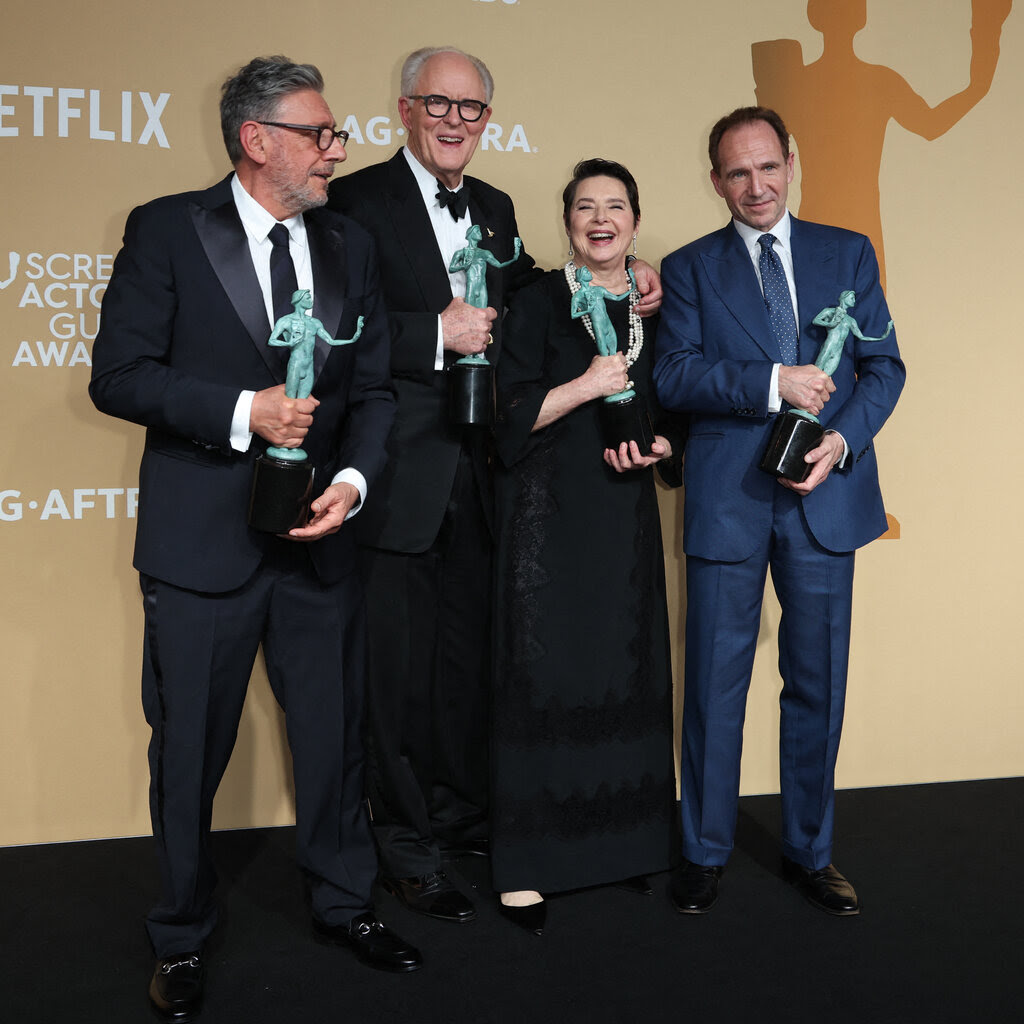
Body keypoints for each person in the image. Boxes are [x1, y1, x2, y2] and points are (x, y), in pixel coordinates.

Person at [89, 56, 421, 1023]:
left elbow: (376, 393)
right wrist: (244, 410)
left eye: (335, 135)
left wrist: (353, 484)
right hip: (203, 550)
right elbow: (121, 376)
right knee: (189, 747)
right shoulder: (165, 230)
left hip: (320, 538)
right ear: (257, 139)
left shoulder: (350, 245)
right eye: (320, 135)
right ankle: (182, 935)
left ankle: (345, 904)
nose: (337, 151)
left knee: (332, 739)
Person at [327, 47, 663, 925]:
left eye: (470, 108)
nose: (453, 121)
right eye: (437, 104)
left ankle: (461, 818)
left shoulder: (497, 206)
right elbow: (327, 324)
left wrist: (631, 278)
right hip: (398, 473)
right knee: (394, 681)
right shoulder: (356, 201)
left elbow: (532, 307)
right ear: (404, 108)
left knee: (465, 671)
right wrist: (429, 333)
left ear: (485, 119)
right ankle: (404, 847)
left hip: (489, 481)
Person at [653, 107, 905, 917]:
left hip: (824, 499)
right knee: (712, 690)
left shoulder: (848, 251)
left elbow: (884, 368)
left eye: (767, 168)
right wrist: (774, 382)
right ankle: (703, 851)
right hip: (728, 502)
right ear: (715, 179)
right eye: (736, 173)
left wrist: (840, 445)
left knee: (818, 684)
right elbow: (676, 377)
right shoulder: (690, 267)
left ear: (790, 163)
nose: (755, 186)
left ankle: (809, 850)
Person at [490, 159, 685, 934]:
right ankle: (528, 867)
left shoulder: (656, 305)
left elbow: (679, 408)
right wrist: (585, 385)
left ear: (635, 220)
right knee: (544, 672)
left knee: (623, 664)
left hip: (624, 513)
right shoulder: (535, 301)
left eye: (615, 207)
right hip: (545, 515)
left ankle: (620, 849)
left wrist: (663, 446)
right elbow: (501, 415)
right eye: (584, 207)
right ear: (566, 220)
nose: (600, 219)